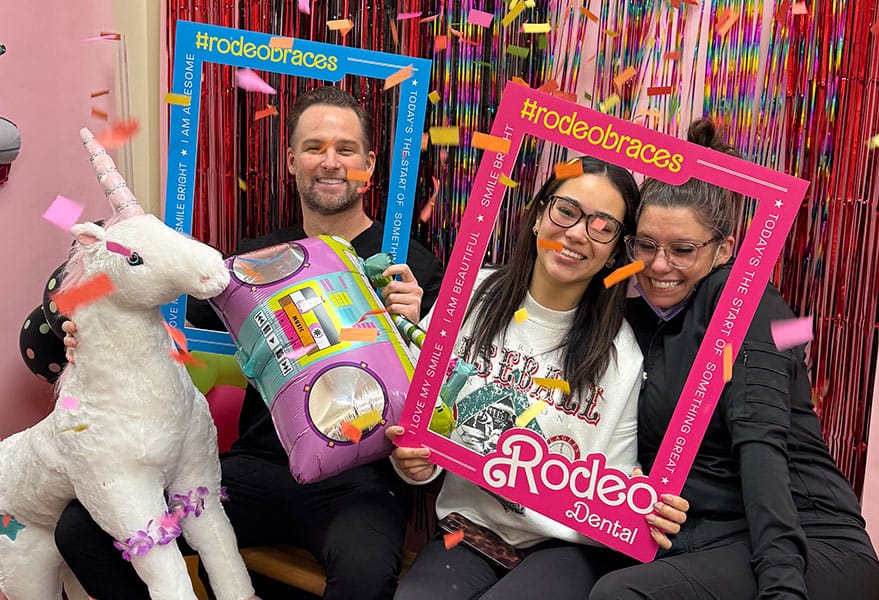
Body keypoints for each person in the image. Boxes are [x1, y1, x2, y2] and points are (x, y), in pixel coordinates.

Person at [54, 86, 444, 600]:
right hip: (250, 471)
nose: (329, 162)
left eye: (346, 149)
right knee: (83, 529)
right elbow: (163, 312)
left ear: (369, 164)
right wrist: (91, 325)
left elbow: (440, 410)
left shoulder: (412, 266)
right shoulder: (251, 259)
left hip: (358, 483)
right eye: (314, 147)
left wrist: (412, 332)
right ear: (290, 161)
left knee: (366, 579)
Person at [589, 119, 879, 600]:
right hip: (706, 539)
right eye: (645, 246)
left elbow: (761, 443)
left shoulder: (745, 303)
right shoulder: (636, 318)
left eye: (683, 250)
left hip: (807, 539)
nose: (659, 265)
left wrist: (782, 587)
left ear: (724, 249)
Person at [388, 156, 689, 600]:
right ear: (538, 215)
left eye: (602, 226)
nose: (576, 234)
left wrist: (649, 511)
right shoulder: (469, 297)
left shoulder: (621, 354)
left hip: (566, 548)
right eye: (567, 211)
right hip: (468, 534)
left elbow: (619, 480)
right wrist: (412, 462)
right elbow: (418, 424)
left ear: (614, 252)